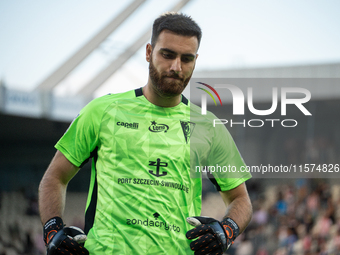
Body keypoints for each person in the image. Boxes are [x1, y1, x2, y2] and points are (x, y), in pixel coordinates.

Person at [39, 12, 252, 255]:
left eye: (187, 58)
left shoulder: (208, 126)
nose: (176, 67)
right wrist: (52, 230)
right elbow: (55, 177)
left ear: (195, 60)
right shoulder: (103, 111)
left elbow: (241, 199)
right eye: (167, 54)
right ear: (149, 52)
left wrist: (227, 230)